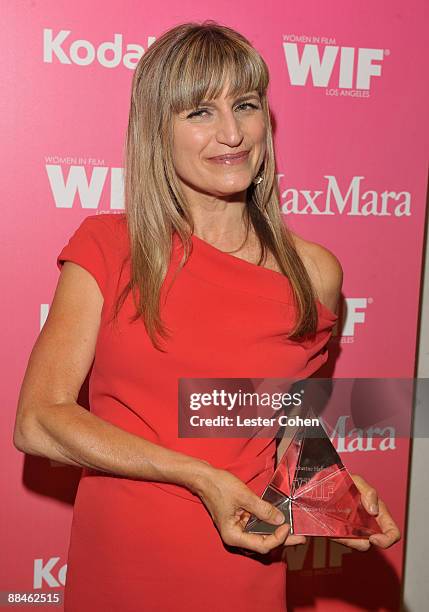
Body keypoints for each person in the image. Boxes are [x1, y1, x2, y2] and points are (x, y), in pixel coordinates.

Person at [13, 21, 400, 612]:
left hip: (242, 564)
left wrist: (325, 488)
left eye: (244, 105)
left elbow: (286, 419)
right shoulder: (110, 246)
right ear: (157, 131)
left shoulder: (313, 271)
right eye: (199, 112)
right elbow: (39, 421)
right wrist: (200, 476)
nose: (231, 133)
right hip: (122, 560)